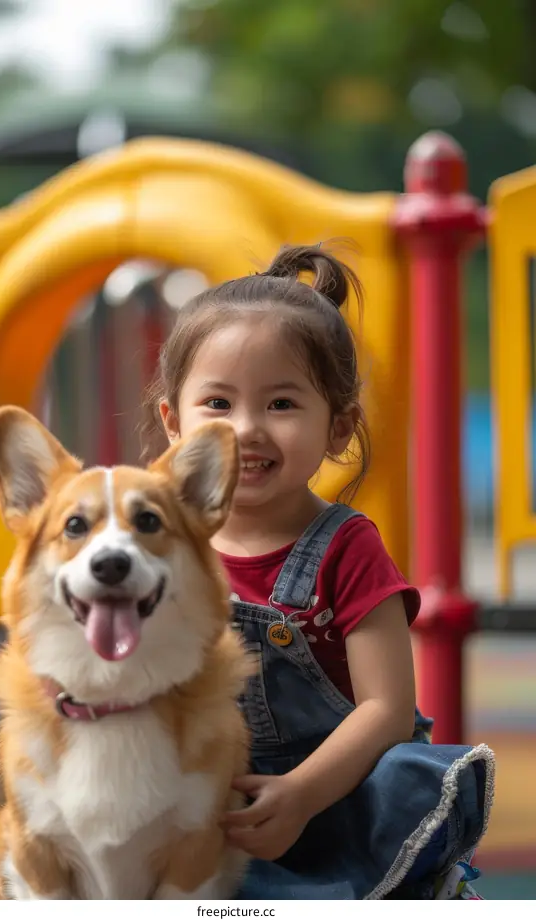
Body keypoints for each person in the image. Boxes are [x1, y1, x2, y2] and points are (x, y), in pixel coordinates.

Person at [142, 243, 494, 900]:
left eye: (281, 405)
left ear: (338, 428)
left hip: (338, 798)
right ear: (172, 422)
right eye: (217, 404)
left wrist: (301, 794)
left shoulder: (345, 547)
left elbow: (387, 709)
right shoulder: (158, 546)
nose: (245, 430)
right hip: (207, 805)